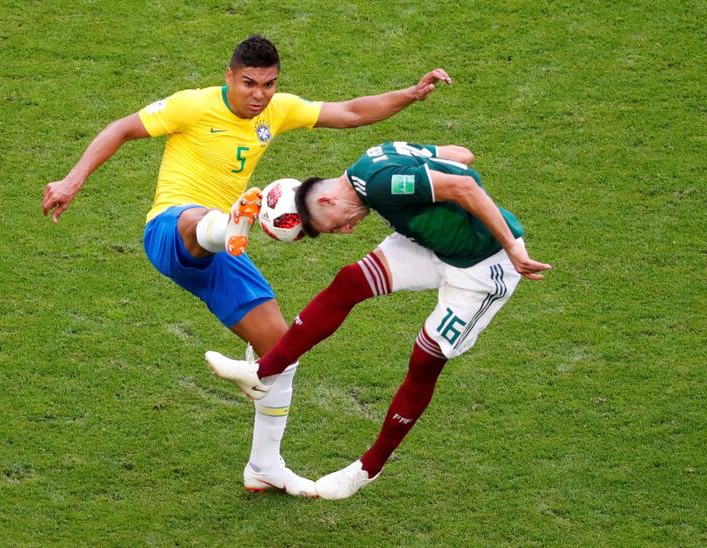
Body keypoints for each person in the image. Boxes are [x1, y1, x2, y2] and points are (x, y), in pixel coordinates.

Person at [42, 35, 455, 497]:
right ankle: (231, 221)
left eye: (269, 84)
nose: (260, 95)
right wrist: (72, 180)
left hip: (223, 252)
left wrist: (410, 94)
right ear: (229, 77)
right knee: (196, 218)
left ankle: (264, 466)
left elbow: (350, 112)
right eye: (249, 83)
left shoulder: (275, 111)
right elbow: (121, 128)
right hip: (172, 230)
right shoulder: (191, 106)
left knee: (281, 347)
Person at [206, 140, 552, 499]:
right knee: (350, 282)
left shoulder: (381, 185)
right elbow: (462, 155)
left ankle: (369, 467)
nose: (344, 231)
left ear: (325, 201)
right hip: (431, 243)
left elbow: (464, 184)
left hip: (483, 266)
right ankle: (262, 372)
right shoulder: (369, 164)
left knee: (425, 358)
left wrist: (512, 246)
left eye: (329, 227)